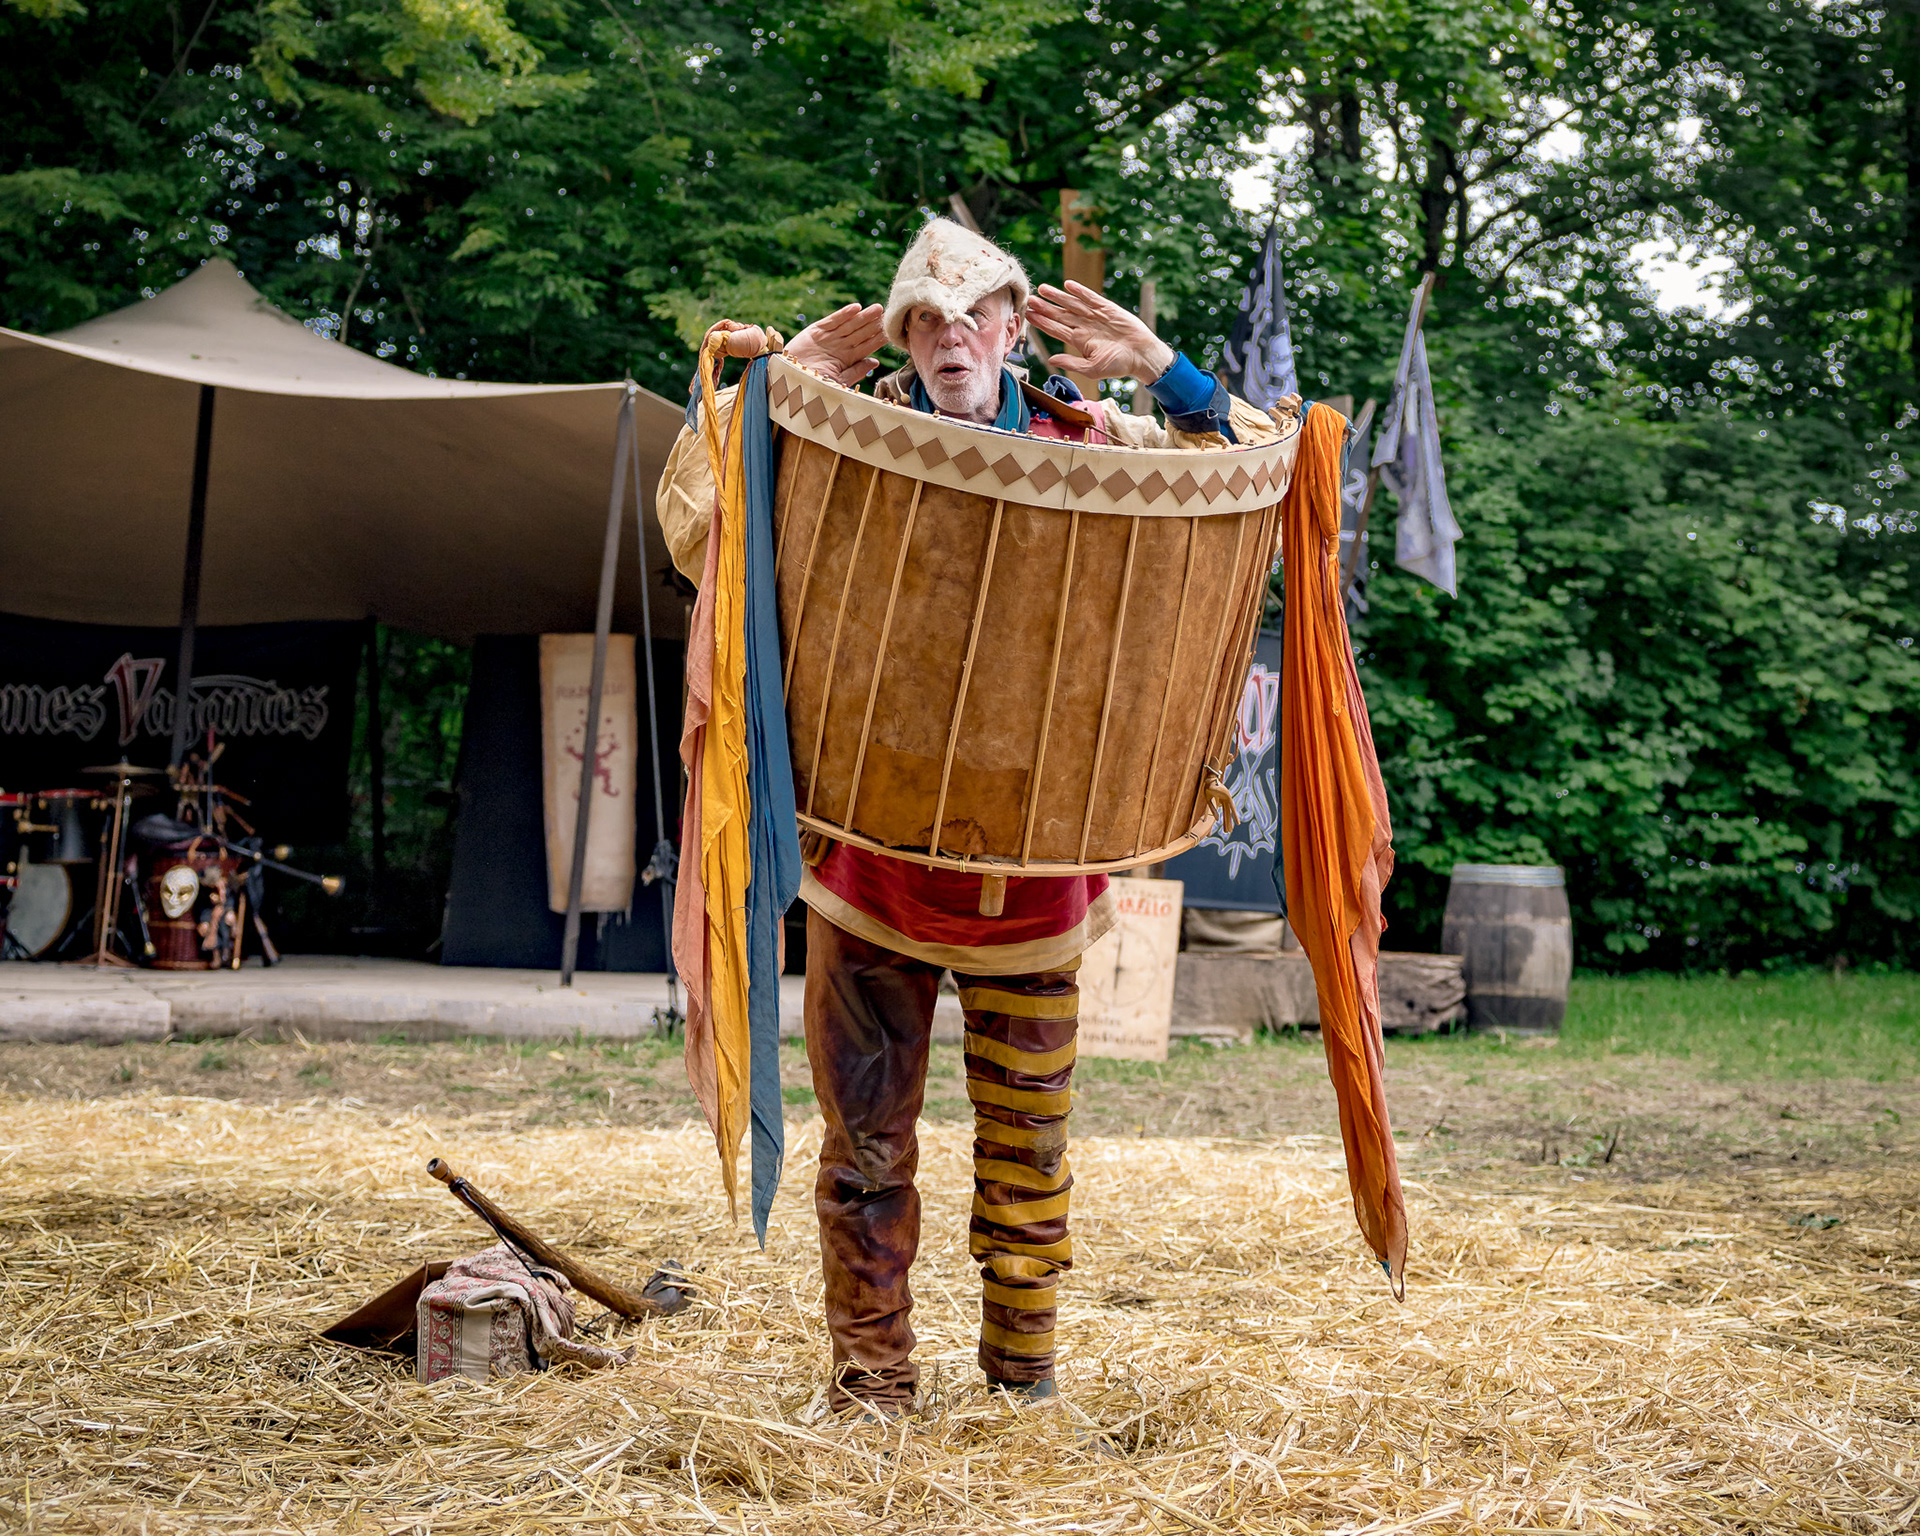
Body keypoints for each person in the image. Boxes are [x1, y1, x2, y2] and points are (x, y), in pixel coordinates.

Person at [656, 218, 1293, 1418]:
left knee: (1029, 1155)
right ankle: (873, 1388)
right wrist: (778, 394)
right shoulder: (837, 440)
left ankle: (1022, 1383)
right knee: (865, 1157)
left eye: (975, 318)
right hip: (870, 877)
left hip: (1035, 886)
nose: (953, 340)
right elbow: (697, 520)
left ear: (1009, 329)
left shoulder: (1089, 443)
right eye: (929, 323)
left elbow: (1258, 480)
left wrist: (1166, 371)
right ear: (905, 337)